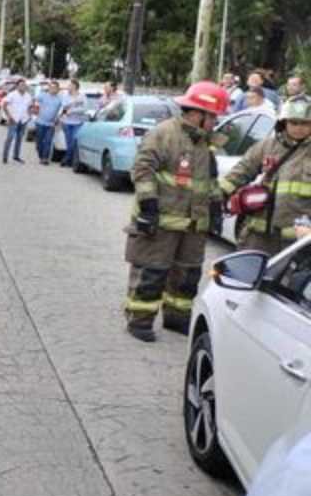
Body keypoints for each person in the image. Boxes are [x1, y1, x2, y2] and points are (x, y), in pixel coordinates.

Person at [123, 81, 228, 343]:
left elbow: (207, 182)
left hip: (193, 226)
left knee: (187, 276)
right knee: (152, 272)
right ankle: (140, 320)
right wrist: (148, 205)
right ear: (197, 113)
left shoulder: (205, 142)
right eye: (213, 116)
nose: (215, 122)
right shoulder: (164, 134)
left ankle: (176, 318)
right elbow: (143, 168)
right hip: (162, 222)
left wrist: (214, 207)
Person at [220, 96, 311, 255]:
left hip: (297, 238)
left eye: (305, 123)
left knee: (293, 280)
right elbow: (242, 170)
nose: (299, 128)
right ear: (284, 122)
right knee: (246, 275)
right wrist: (217, 195)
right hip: (257, 234)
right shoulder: (267, 146)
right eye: (294, 122)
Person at [59, 79, 89, 168]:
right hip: (66, 122)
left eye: (70, 85)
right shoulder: (65, 96)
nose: (68, 87)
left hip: (78, 122)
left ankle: (67, 159)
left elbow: (84, 109)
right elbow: (64, 106)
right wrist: (75, 103)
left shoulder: (82, 96)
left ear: (75, 86)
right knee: (68, 142)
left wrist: (72, 111)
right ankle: (70, 160)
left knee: (73, 141)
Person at [2, 78, 32, 164]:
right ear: (17, 86)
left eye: (24, 85)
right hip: (14, 120)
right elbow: (4, 105)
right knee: (10, 138)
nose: (23, 86)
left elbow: (29, 107)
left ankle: (16, 156)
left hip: (23, 120)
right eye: (21, 85)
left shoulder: (28, 96)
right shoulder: (12, 95)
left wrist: (29, 115)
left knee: (19, 139)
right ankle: (5, 157)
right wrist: (9, 117)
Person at [33, 80, 64, 165]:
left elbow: (64, 108)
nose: (53, 89)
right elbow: (33, 100)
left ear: (58, 89)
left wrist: (59, 118)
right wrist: (33, 109)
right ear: (49, 88)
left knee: (48, 141)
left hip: (51, 124)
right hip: (40, 122)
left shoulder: (60, 98)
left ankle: (45, 158)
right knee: (39, 142)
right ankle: (41, 155)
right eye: (51, 87)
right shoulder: (43, 95)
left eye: (55, 88)